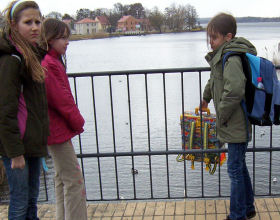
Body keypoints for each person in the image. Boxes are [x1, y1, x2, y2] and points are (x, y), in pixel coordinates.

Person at [201, 13, 257, 220]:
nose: (211, 42)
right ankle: (248, 208)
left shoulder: (231, 58)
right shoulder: (222, 57)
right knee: (239, 168)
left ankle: (237, 215)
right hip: (233, 124)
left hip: (236, 124)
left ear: (228, 37)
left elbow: (234, 90)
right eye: (209, 38)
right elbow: (215, 80)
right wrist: (206, 97)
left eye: (214, 38)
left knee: (234, 171)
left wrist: (221, 115)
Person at [0, 0, 48, 219]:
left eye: (38, 21)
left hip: (32, 142)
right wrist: (15, 152)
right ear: (13, 24)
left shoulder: (31, 56)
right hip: (18, 146)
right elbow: (5, 110)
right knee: (20, 201)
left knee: (31, 199)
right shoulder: (12, 60)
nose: (35, 27)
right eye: (28, 22)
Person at [41, 18, 87, 220]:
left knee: (61, 179)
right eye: (62, 38)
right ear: (50, 39)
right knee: (74, 181)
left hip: (54, 130)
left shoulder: (51, 61)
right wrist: (78, 121)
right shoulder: (50, 64)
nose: (67, 42)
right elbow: (62, 100)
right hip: (57, 131)